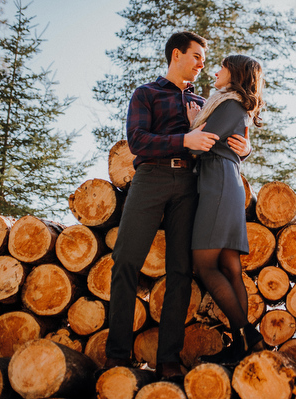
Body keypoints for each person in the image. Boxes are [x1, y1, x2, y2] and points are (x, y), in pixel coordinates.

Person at [104, 31, 251, 382]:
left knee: (181, 271)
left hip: (190, 186)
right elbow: (137, 141)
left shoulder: (205, 102)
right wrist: (184, 138)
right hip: (150, 180)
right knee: (125, 261)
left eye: (205, 58)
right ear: (176, 55)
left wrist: (246, 150)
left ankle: (169, 358)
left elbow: (229, 133)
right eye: (198, 56)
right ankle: (116, 354)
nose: (203, 63)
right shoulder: (146, 94)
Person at [187, 55, 265, 366]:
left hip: (217, 184)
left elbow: (196, 146)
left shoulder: (229, 104)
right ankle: (243, 343)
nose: (215, 72)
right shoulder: (237, 107)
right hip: (228, 182)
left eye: (221, 67)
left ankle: (247, 334)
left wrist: (189, 121)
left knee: (204, 265)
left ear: (234, 74)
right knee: (230, 266)